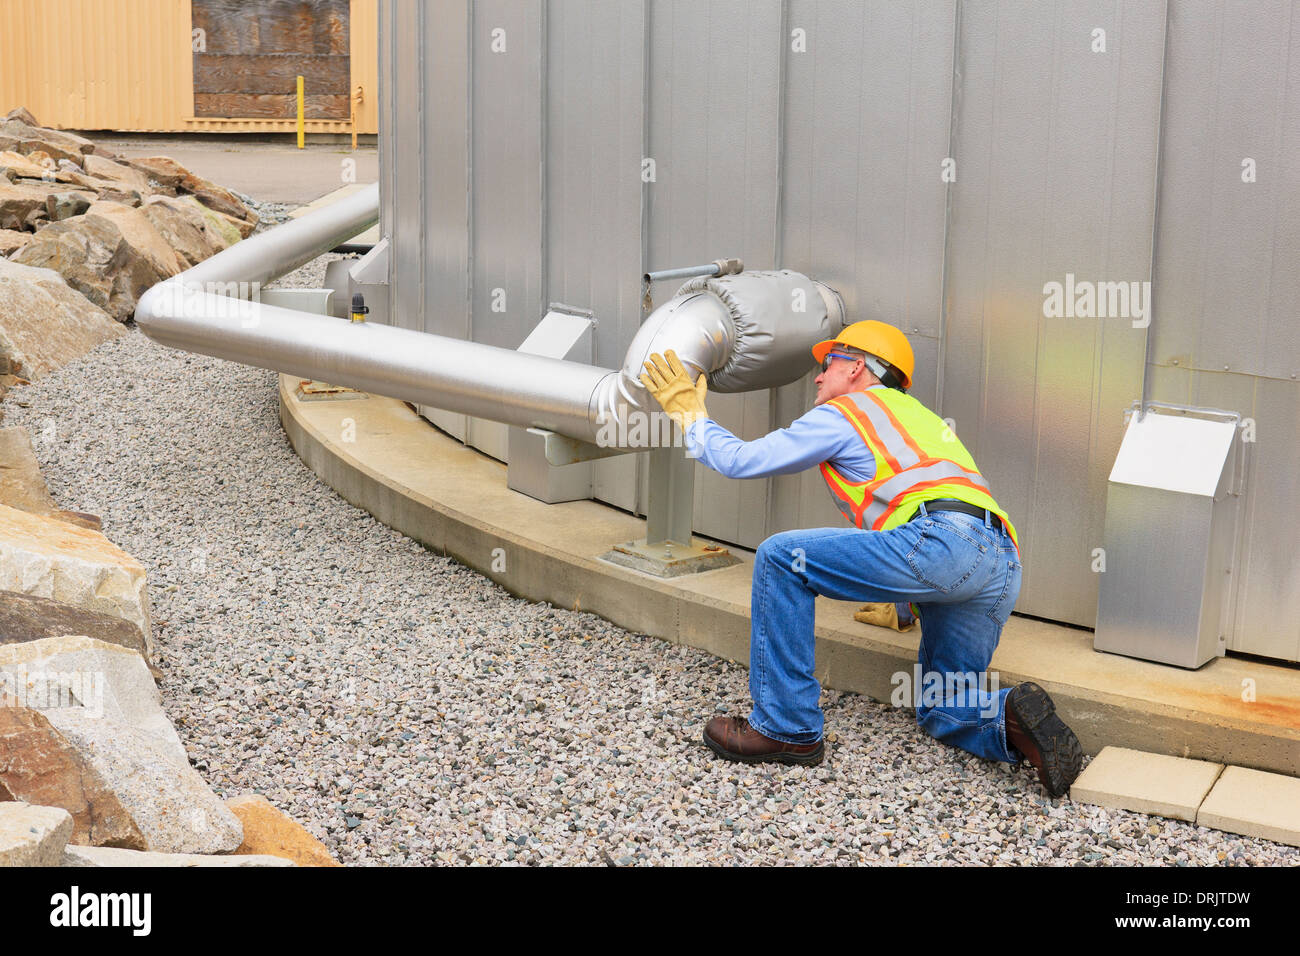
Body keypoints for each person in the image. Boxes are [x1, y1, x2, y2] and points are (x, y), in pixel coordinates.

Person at [638, 321, 1084, 797]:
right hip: (999, 563)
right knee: (942, 703)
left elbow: (741, 461)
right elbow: (924, 507)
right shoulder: (922, 420)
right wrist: (904, 603)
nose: (817, 377)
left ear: (856, 367)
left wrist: (689, 413)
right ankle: (1009, 714)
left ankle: (786, 728)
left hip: (943, 547)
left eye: (827, 363)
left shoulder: (847, 412)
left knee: (781, 558)